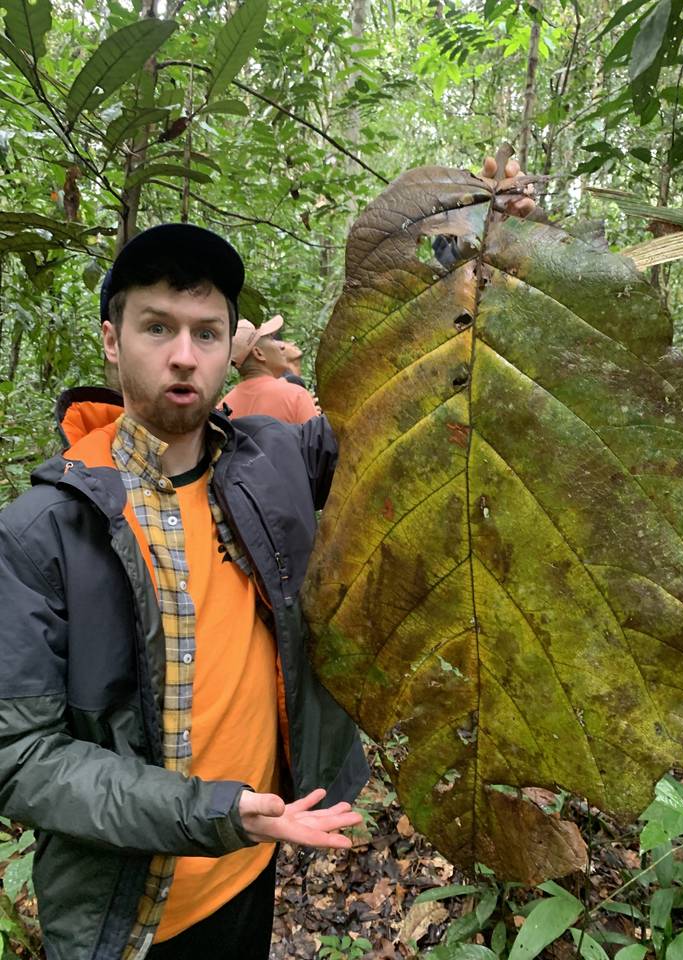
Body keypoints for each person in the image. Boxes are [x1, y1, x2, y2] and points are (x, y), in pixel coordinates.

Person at [0, 223, 368, 960]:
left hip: (251, 868)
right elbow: (21, 756)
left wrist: (480, 243)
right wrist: (216, 812)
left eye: (206, 333)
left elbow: (402, 416)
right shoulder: (43, 531)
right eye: (157, 328)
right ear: (112, 340)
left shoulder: (274, 463)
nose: (183, 355)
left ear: (231, 349)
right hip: (129, 916)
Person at [222, 316, 319, 422]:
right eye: (271, 340)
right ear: (259, 353)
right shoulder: (295, 396)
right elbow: (316, 433)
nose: (281, 346)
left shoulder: (223, 408)